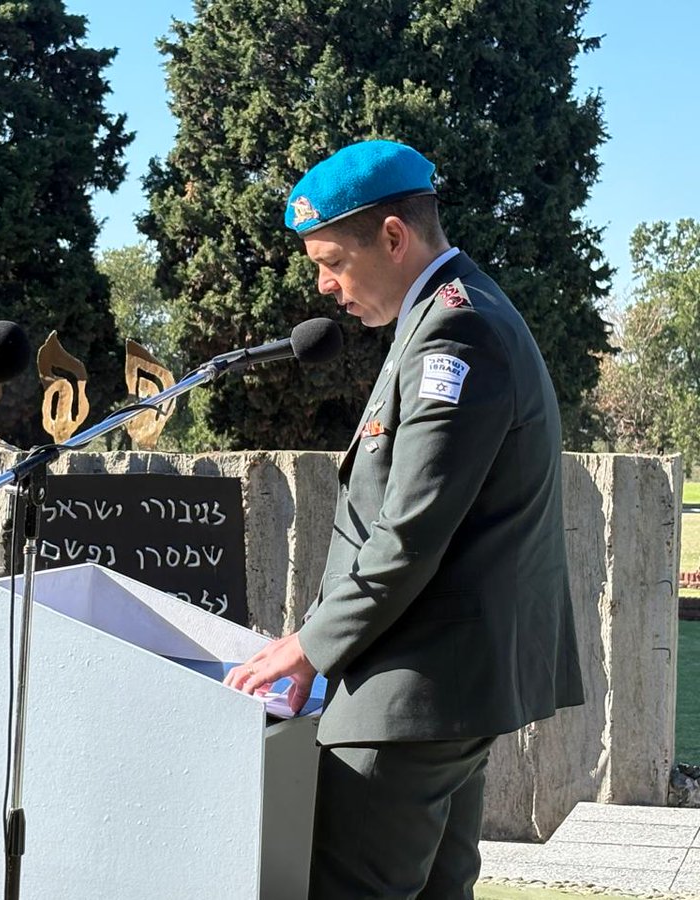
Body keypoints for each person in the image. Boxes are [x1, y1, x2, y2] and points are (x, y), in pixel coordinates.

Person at [224, 139, 584, 899]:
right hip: (438, 685)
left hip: (412, 693)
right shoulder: (441, 317)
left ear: (393, 236)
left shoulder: (456, 330)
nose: (325, 286)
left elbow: (412, 529)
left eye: (333, 262)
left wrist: (307, 650)